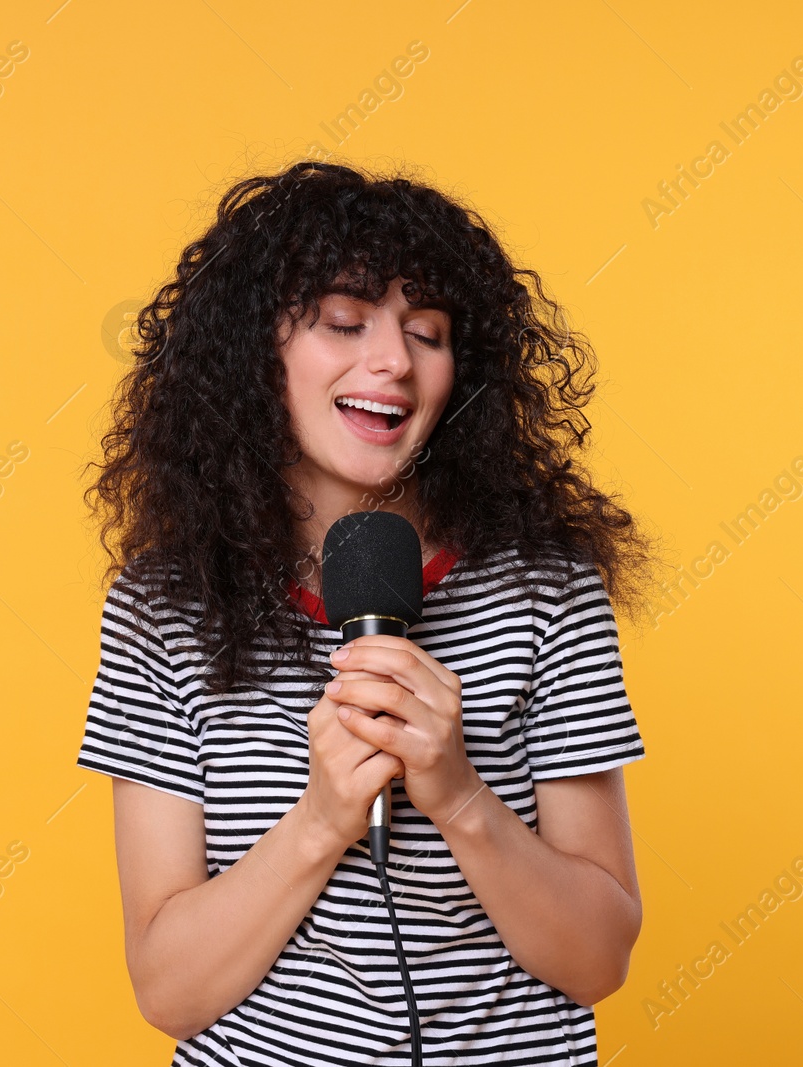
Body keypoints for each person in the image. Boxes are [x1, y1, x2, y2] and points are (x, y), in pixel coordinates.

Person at [76, 160, 662, 1065]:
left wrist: (460, 793)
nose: (392, 360)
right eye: (346, 322)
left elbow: (597, 960)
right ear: (252, 354)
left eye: (426, 331)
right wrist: (321, 820)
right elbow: (167, 989)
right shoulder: (166, 608)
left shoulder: (545, 588)